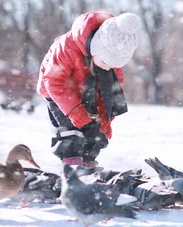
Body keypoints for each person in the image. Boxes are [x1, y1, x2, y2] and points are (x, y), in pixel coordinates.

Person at [37, 11, 141, 167]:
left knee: (95, 133)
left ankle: (87, 162)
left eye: (114, 65)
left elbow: (112, 91)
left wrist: (107, 118)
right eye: (106, 61)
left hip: (89, 93)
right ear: (97, 47)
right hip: (60, 93)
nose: (108, 68)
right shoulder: (66, 46)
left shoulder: (111, 64)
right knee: (70, 133)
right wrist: (74, 110)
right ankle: (71, 166)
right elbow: (54, 81)